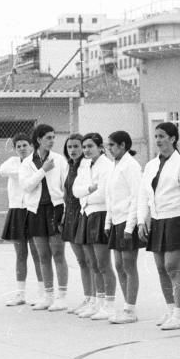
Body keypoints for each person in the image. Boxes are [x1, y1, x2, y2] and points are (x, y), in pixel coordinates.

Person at [138, 122, 180, 330]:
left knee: (172, 267)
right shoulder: (151, 165)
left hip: (175, 219)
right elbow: (144, 195)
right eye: (156, 136)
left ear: (173, 139)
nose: (158, 140)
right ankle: (171, 310)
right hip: (157, 219)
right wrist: (142, 219)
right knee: (161, 268)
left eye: (162, 136)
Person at [18, 124, 69, 311]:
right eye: (48, 137)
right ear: (38, 140)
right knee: (43, 255)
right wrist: (43, 170)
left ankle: (61, 296)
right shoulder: (26, 163)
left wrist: (65, 212)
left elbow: (65, 187)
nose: (52, 141)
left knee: (58, 253)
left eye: (53, 137)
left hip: (55, 209)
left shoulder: (60, 160)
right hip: (36, 211)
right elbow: (26, 186)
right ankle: (48, 296)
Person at [72, 133, 115, 320]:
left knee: (103, 263)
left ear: (100, 147)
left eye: (90, 146)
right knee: (92, 263)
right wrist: (89, 189)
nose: (86, 150)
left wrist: (87, 192)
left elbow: (104, 192)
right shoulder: (84, 165)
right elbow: (75, 191)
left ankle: (110, 304)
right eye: (84, 147)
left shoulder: (107, 165)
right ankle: (98, 303)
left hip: (101, 213)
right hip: (86, 213)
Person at [103, 130, 144, 324]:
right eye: (108, 145)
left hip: (129, 221)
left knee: (128, 265)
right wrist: (108, 222)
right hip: (116, 221)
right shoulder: (115, 165)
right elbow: (110, 196)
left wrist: (129, 227)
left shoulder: (131, 166)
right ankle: (127, 305)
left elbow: (136, 197)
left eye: (112, 145)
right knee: (119, 265)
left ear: (122, 146)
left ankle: (130, 309)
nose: (109, 149)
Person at [0, 133, 43, 306]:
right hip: (17, 210)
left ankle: (42, 294)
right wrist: (25, 172)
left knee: (37, 254)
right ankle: (20, 294)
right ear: (15, 149)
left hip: (32, 210)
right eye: (18, 146)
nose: (22, 148)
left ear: (31, 146)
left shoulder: (37, 161)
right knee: (20, 255)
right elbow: (3, 171)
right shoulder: (12, 162)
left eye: (25, 145)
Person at [60, 133, 92, 313]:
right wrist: (65, 215)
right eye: (70, 147)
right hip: (70, 215)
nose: (73, 150)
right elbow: (66, 193)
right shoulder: (69, 166)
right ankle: (88, 298)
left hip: (83, 213)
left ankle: (95, 299)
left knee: (90, 260)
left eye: (76, 146)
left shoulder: (87, 165)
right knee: (81, 260)